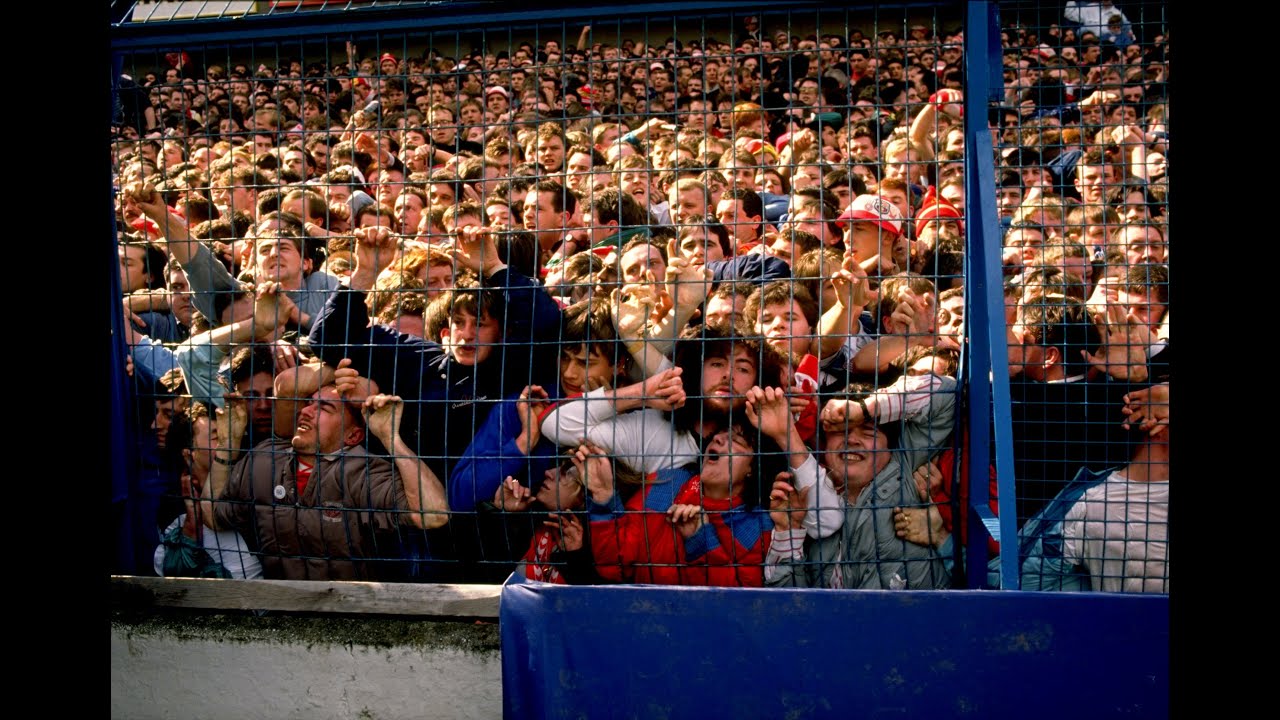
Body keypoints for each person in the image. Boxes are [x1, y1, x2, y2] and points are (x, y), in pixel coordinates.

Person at [202, 381, 450, 581]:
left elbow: (433, 515)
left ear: (353, 435)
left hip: (350, 621)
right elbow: (213, 516)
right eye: (309, 403)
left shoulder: (363, 471)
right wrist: (228, 445)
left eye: (324, 408)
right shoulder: (265, 459)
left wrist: (391, 439)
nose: (306, 411)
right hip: (281, 617)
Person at [766, 370, 959, 590]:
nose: (852, 440)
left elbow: (948, 393)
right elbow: (791, 604)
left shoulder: (907, 467)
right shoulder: (806, 502)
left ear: (890, 446)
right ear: (824, 446)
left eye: (868, 432)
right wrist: (787, 530)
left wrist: (866, 409)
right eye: (840, 431)